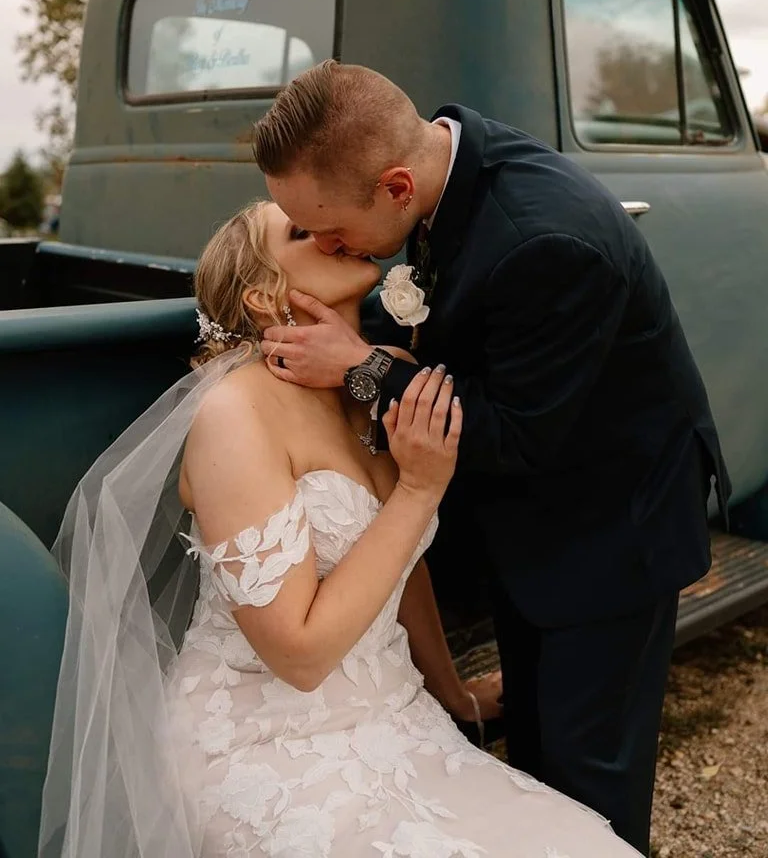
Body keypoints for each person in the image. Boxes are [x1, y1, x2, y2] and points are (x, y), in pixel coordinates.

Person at [39, 201, 642, 858]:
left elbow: (400, 566)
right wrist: (418, 489)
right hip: (264, 748)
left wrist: (454, 691)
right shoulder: (237, 416)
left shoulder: (377, 372)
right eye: (303, 232)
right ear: (265, 296)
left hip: (397, 720)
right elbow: (298, 655)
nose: (331, 230)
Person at [252, 60, 732, 856]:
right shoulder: (450, 157)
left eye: (330, 229)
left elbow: (513, 432)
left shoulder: (545, 242)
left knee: (587, 792)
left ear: (398, 187)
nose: (329, 246)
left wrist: (361, 367)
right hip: (536, 524)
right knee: (533, 774)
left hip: (608, 532)